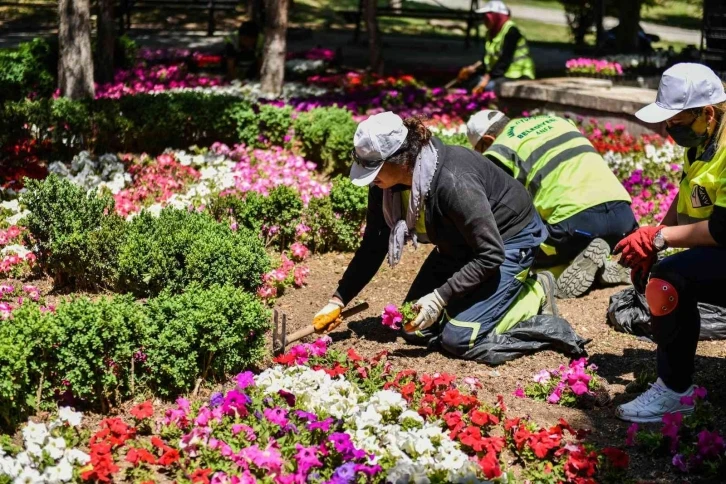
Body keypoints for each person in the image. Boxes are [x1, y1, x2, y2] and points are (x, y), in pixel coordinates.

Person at [312, 112, 559, 360]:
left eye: (374, 169)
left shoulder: (454, 181)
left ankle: (535, 292)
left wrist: (440, 297)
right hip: (458, 243)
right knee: (413, 327)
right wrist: (338, 300)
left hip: (508, 242)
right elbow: (374, 245)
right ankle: (474, 304)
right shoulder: (384, 187)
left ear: (401, 159)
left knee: (460, 338)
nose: (370, 179)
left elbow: (491, 254)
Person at [614, 63, 726, 423]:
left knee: (668, 280)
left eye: (677, 120)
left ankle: (675, 393)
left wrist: (659, 239)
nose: (669, 129)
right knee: (664, 277)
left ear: (706, 113)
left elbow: (723, 229)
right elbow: (685, 201)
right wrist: (653, 238)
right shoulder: (704, 143)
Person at [467, 110, 638, 298]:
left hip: (575, 227)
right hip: (624, 221)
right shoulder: (558, 121)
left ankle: (559, 273)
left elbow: (499, 213)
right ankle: (601, 265)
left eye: (480, 151)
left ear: (488, 141)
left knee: (513, 254)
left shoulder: (499, 149)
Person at [457, 0, 535, 94]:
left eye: (486, 16)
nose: (484, 19)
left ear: (496, 16)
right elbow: (488, 57)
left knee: (489, 88)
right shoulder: (491, 32)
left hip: (518, 74)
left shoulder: (511, 31)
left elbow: (504, 60)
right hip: (501, 74)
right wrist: (472, 68)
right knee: (470, 82)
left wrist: (486, 79)